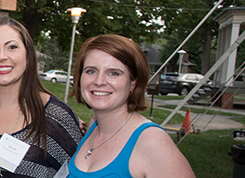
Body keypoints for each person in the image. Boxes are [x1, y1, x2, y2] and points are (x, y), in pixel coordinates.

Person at [0, 18, 83, 177]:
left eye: (12, 47)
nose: (1, 56)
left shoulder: (54, 115)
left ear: (28, 55)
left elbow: (80, 171)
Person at [65, 34, 194, 177]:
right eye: (91, 71)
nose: (99, 81)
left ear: (134, 83)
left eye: (114, 73)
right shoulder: (94, 126)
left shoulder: (152, 142)